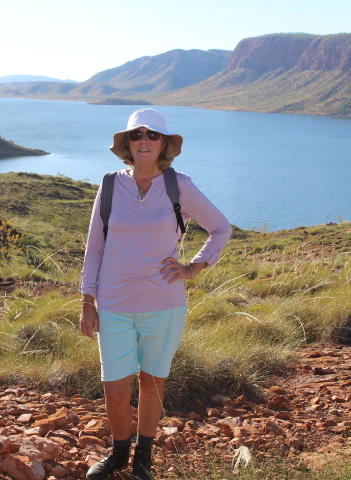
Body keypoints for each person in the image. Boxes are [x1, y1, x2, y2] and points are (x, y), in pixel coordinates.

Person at [79, 108, 232, 480]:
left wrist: (193, 267)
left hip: (163, 304)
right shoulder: (112, 185)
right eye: (136, 135)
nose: (143, 141)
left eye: (151, 135)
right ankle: (117, 454)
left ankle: (143, 459)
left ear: (163, 143)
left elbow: (221, 228)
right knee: (115, 391)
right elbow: (95, 246)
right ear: (126, 144)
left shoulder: (179, 186)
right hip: (113, 304)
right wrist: (87, 301)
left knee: (151, 384)